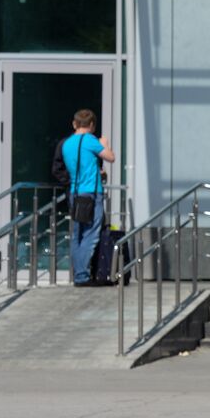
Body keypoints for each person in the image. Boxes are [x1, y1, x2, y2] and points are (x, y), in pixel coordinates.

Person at [62, 109, 116, 287]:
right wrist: (105, 144)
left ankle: (78, 274)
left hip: (74, 192)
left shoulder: (67, 143)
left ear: (74, 124)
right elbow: (111, 157)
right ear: (92, 125)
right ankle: (82, 275)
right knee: (91, 234)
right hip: (91, 193)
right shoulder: (91, 141)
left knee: (77, 234)